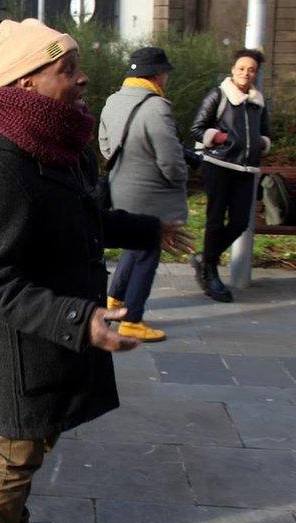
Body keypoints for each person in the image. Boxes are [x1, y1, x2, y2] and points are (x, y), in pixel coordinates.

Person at [0, 19, 193, 523]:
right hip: (22, 346)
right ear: (25, 85)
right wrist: (80, 319)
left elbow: (80, 216)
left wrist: (147, 229)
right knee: (15, 451)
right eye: (68, 70)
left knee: (36, 440)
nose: (81, 80)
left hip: (56, 335)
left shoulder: (59, 142)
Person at [99, 47, 188, 342]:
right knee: (149, 247)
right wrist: (180, 176)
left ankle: (114, 300)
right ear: (158, 74)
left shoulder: (113, 101)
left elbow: (104, 143)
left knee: (133, 244)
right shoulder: (157, 107)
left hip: (119, 187)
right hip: (151, 192)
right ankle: (132, 320)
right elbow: (170, 159)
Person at [189, 49, 271, 302]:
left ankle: (205, 258)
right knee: (215, 220)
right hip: (220, 165)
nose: (245, 73)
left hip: (246, 170)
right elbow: (196, 128)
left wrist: (260, 144)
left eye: (251, 69)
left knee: (239, 222)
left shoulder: (259, 101)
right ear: (233, 69)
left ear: (255, 73)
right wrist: (223, 138)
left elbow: (266, 133)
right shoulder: (219, 94)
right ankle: (211, 272)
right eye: (241, 68)